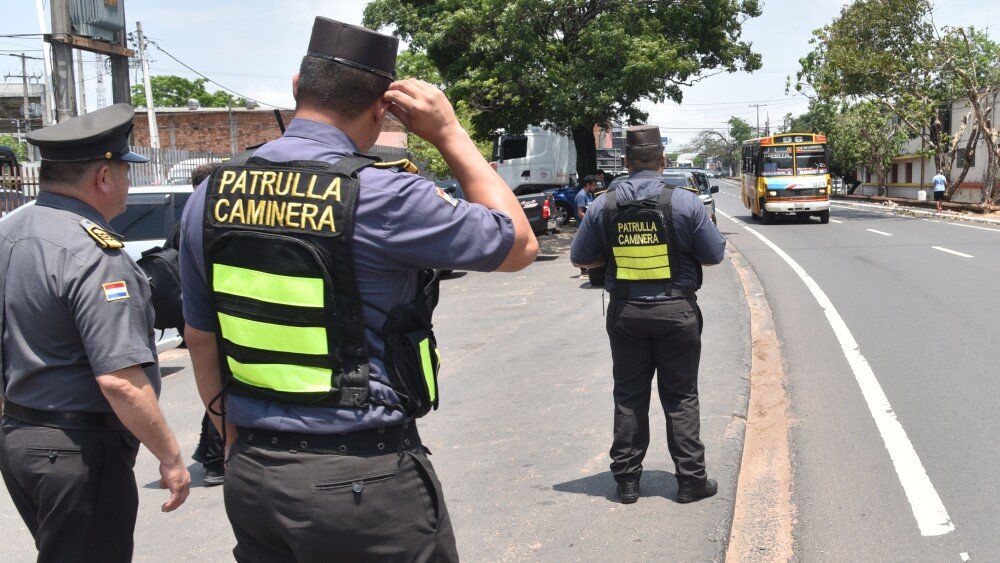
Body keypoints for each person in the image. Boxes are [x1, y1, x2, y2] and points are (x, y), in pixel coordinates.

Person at [179, 17, 537, 561]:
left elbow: (200, 337)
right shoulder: (384, 195)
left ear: (298, 87)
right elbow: (518, 246)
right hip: (359, 482)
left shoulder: (210, 195)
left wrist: (231, 443)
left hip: (255, 475)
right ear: (383, 107)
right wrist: (448, 133)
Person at [0, 104, 191, 562]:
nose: (129, 182)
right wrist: (169, 456)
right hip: (79, 452)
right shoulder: (95, 254)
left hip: (21, 438)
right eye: (126, 171)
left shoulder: (10, 231)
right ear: (103, 177)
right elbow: (119, 378)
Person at [570, 125, 726, 505]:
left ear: (625, 162)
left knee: (629, 396)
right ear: (663, 161)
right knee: (681, 397)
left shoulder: (603, 204)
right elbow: (714, 255)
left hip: (626, 314)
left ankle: (626, 482)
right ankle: (691, 481)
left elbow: (581, 258)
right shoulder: (686, 202)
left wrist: (612, 254)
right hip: (677, 312)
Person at [186, 161, 226, 486]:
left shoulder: (189, 217)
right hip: (212, 322)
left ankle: (212, 454)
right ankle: (215, 457)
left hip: (202, 318)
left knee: (213, 393)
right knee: (217, 389)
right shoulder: (204, 219)